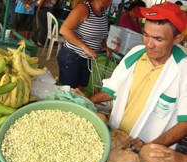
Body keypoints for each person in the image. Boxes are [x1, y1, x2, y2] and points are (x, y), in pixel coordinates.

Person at [75, 2, 187, 151]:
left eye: (158, 39)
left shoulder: (183, 70)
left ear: (177, 39)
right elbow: (111, 91)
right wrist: (86, 102)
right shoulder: (136, 53)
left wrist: (149, 147)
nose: (149, 44)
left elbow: (184, 123)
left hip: (150, 153)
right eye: (146, 35)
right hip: (115, 138)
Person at [57, 0, 112, 90]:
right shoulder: (83, 8)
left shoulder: (102, 12)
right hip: (72, 58)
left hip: (87, 60)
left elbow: (100, 35)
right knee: (67, 92)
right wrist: (85, 48)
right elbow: (64, 30)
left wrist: (104, 46)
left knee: (79, 91)